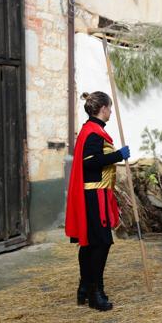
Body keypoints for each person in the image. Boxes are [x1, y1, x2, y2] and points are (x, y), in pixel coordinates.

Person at [65, 91, 130, 311]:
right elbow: (90, 163)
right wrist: (118, 155)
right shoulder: (93, 132)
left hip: (95, 194)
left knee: (90, 243)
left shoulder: (91, 130)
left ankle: (84, 289)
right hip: (94, 196)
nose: (111, 111)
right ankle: (95, 293)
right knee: (100, 244)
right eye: (109, 108)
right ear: (102, 108)